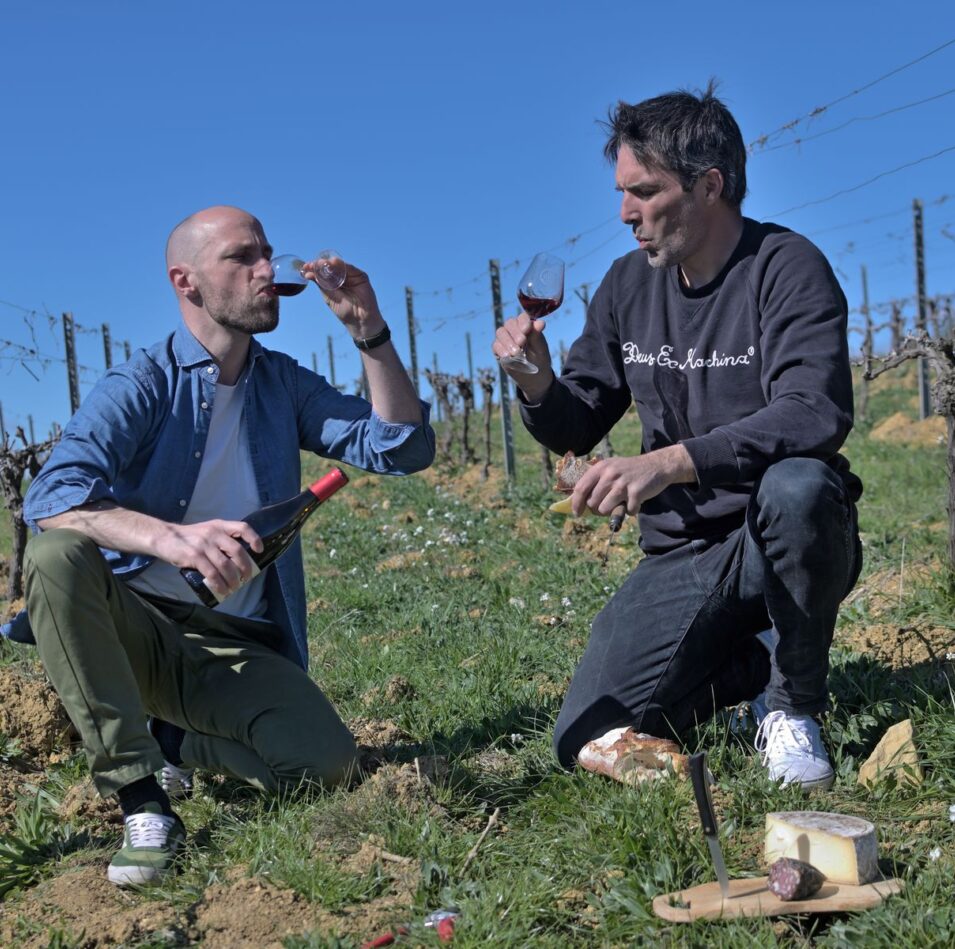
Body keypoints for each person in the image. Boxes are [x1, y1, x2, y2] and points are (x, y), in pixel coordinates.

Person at [19, 205, 435, 886]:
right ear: (186, 281)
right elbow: (51, 498)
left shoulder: (282, 384)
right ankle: (142, 797)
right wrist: (171, 538)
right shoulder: (143, 384)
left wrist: (372, 334)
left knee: (323, 767)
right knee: (53, 554)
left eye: (267, 253)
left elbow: (403, 448)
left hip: (231, 641)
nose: (267, 270)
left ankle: (176, 739)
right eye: (242, 258)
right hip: (137, 630)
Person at [493, 83, 862, 792]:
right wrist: (536, 381)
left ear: (709, 185)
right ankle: (748, 663)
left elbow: (812, 411)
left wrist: (670, 463)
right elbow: (578, 417)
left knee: (798, 486)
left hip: (776, 533)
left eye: (643, 191)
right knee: (585, 734)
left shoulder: (786, 268)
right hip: (681, 553)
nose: (624, 213)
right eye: (621, 191)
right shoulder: (627, 285)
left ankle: (793, 708)